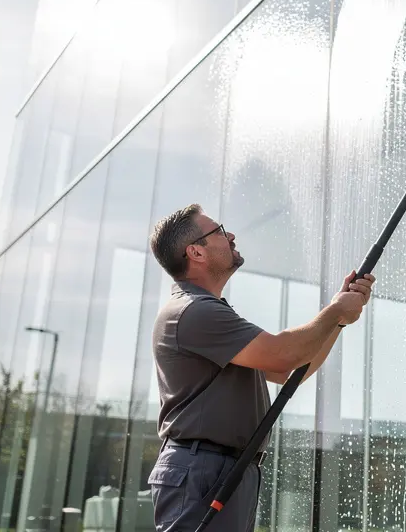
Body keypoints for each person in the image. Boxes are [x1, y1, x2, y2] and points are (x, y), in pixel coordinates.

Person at [146, 203, 375, 531]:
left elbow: (288, 371)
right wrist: (335, 311)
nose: (232, 236)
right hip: (202, 469)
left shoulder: (208, 313)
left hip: (221, 468)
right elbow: (282, 355)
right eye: (220, 232)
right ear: (195, 252)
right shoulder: (194, 312)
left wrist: (337, 320)